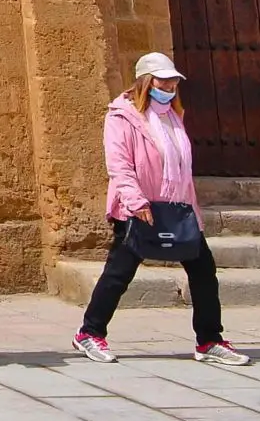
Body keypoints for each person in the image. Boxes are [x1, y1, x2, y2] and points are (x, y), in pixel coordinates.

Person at [75, 54, 249, 367]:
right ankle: (90, 332)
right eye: (163, 81)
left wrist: (192, 211)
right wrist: (136, 202)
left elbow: (181, 168)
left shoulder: (172, 116)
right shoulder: (121, 117)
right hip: (139, 208)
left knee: (203, 271)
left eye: (173, 82)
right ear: (146, 81)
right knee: (119, 273)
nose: (169, 87)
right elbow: (119, 165)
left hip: (177, 208)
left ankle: (209, 340)